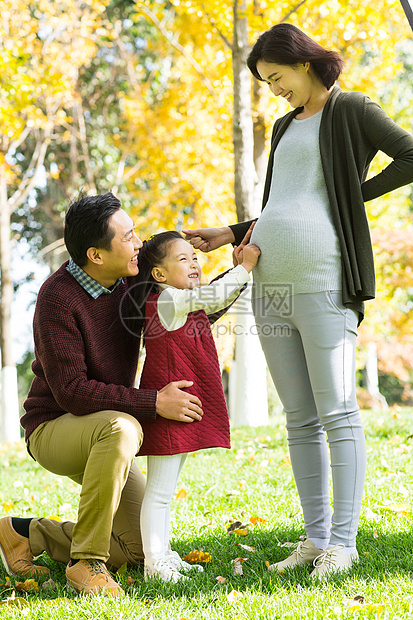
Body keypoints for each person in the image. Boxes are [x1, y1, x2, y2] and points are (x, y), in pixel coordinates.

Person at [184, 23, 413, 578]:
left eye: (276, 77)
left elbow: (409, 156)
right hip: (271, 286)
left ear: (303, 62)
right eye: (264, 83)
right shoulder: (286, 126)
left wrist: (352, 197)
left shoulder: (352, 109)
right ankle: (314, 539)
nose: (274, 90)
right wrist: (230, 232)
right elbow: (286, 203)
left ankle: (343, 542)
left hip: (324, 278)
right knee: (299, 417)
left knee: (336, 409)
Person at [0, 193, 207, 597]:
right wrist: (153, 403)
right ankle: (86, 564)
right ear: (96, 255)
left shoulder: (135, 276)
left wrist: (233, 240)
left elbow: (185, 288)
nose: (139, 245)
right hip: (54, 428)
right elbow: (73, 392)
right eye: (128, 237)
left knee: (139, 546)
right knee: (124, 428)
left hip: (106, 428)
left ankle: (24, 534)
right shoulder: (57, 298)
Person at [128, 231, 260, 583]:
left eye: (195, 257)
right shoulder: (168, 299)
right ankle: (155, 564)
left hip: (182, 408)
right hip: (169, 409)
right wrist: (245, 267)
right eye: (183, 258)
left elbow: (214, 301)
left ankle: (164, 555)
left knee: (165, 490)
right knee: (159, 492)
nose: (194, 263)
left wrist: (236, 272)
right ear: (158, 274)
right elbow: (213, 295)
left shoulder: (183, 299)